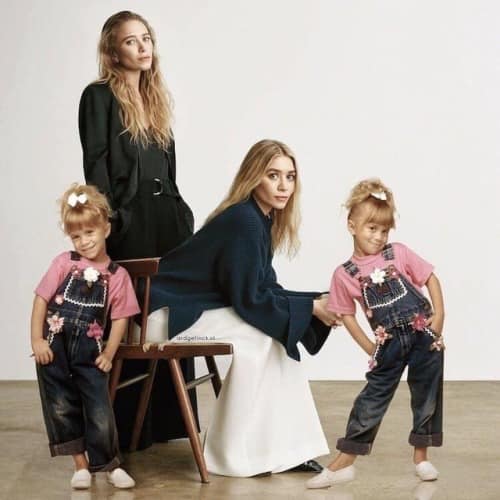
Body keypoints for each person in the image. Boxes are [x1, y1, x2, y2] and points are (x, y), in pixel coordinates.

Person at [142, 139, 340, 477]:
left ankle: (286, 450)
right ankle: (227, 454)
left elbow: (265, 288)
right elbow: (249, 299)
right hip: (165, 315)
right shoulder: (244, 221)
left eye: (290, 177)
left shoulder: (259, 220)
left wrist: (316, 301)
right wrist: (311, 308)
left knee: (276, 337)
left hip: (191, 310)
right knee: (261, 338)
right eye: (273, 175)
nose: (283, 186)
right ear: (254, 176)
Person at [78, 10, 196, 450]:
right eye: (131, 40)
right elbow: (95, 165)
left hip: (168, 217)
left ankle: (167, 424)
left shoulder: (155, 96)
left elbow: (168, 164)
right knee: (131, 316)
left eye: (146, 38)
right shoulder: (98, 96)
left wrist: (181, 210)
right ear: (113, 50)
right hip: (131, 218)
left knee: (168, 314)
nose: (143, 46)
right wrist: (112, 220)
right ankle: (128, 429)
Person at [307, 178, 445, 489]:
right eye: (372, 228)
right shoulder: (344, 274)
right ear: (352, 226)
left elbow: (430, 278)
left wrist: (439, 317)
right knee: (372, 398)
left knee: (427, 394)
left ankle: (421, 458)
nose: (379, 236)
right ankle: (344, 463)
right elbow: (346, 315)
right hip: (390, 344)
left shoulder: (398, 253)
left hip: (424, 335)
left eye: (384, 230)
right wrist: (371, 348)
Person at [31, 184, 139, 489]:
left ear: (106, 229)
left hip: (89, 351)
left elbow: (120, 319)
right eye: (76, 236)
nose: (84, 241)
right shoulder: (65, 262)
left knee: (99, 407)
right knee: (61, 404)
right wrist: (37, 340)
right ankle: (80, 466)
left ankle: (110, 465)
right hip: (54, 348)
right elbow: (41, 299)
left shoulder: (117, 275)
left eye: (89, 232)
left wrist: (109, 353)